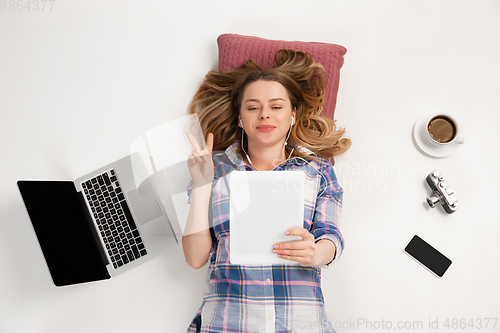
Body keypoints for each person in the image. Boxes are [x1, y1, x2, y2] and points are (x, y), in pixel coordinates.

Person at [182, 49, 351, 333]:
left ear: (293, 116)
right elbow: (196, 258)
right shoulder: (214, 169)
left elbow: (331, 240)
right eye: (252, 107)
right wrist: (201, 186)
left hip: (300, 323)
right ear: (239, 118)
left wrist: (314, 254)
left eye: (276, 106)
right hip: (227, 323)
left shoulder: (318, 171)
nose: (264, 115)